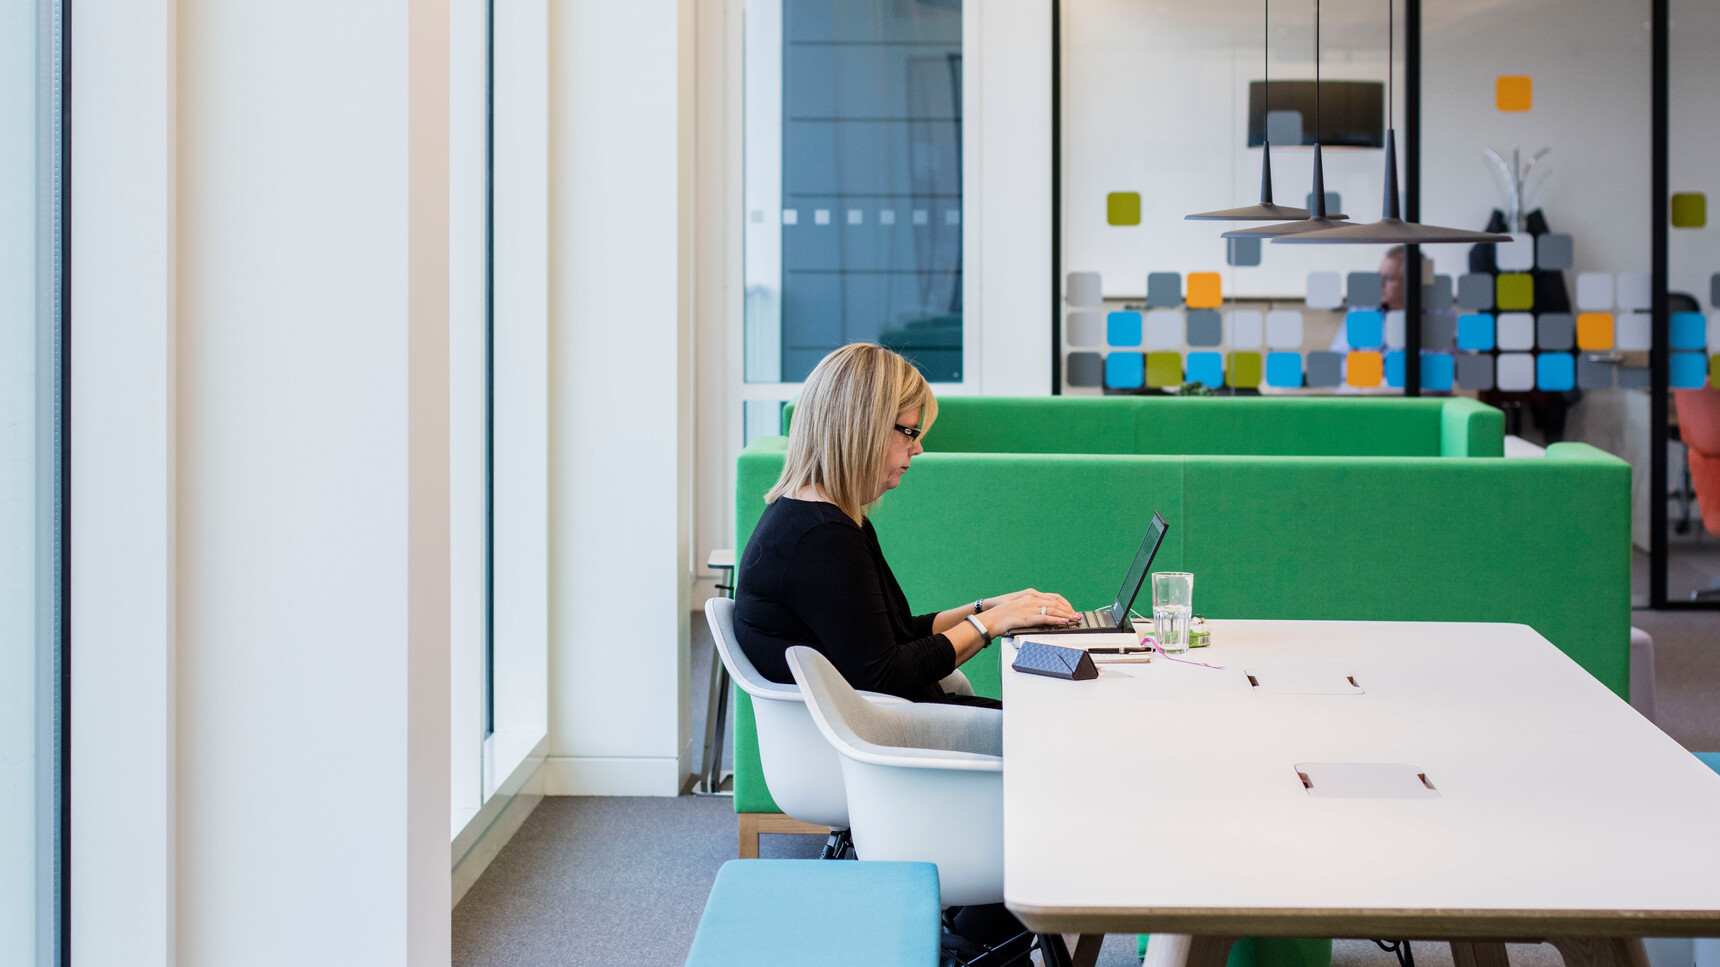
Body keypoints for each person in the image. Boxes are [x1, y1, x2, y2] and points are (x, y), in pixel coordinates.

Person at [734, 343, 1078, 709]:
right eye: (909, 432)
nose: (918, 448)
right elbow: (887, 673)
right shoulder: (821, 538)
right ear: (863, 429)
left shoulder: (818, 517)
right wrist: (991, 623)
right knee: (1058, 722)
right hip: (892, 734)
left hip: (893, 718)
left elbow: (891, 635)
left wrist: (986, 609)